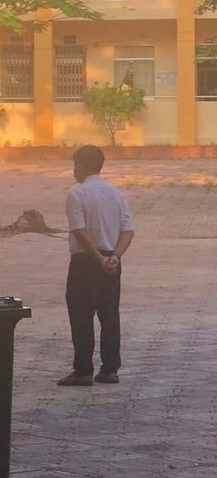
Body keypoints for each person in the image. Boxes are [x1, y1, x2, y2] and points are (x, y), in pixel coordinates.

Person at [59, 145, 135, 387]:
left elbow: (79, 233)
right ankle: (110, 369)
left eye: (75, 165)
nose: (74, 171)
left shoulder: (77, 194)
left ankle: (82, 370)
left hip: (85, 262)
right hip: (112, 261)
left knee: (81, 316)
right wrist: (114, 256)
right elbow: (127, 230)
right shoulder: (116, 194)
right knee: (109, 316)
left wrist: (98, 259)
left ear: (81, 166)